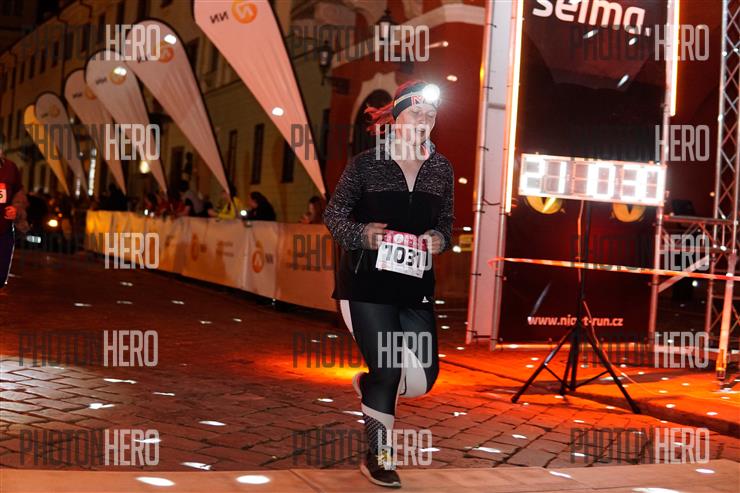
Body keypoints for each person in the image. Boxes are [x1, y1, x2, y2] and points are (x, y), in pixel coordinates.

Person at [323, 80, 454, 487]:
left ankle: (369, 384)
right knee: (388, 370)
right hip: (367, 285)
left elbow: (446, 223)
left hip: (414, 286)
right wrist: (361, 234)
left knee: (423, 378)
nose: (423, 121)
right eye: (416, 113)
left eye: (430, 115)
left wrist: (440, 239)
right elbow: (334, 215)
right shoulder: (366, 164)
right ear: (396, 118)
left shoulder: (441, 168)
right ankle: (379, 458)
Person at [0, 147, 27, 288]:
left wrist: (16, 209)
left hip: (3, 231)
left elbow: (19, 194)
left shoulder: (10, 168)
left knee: (0, 276)